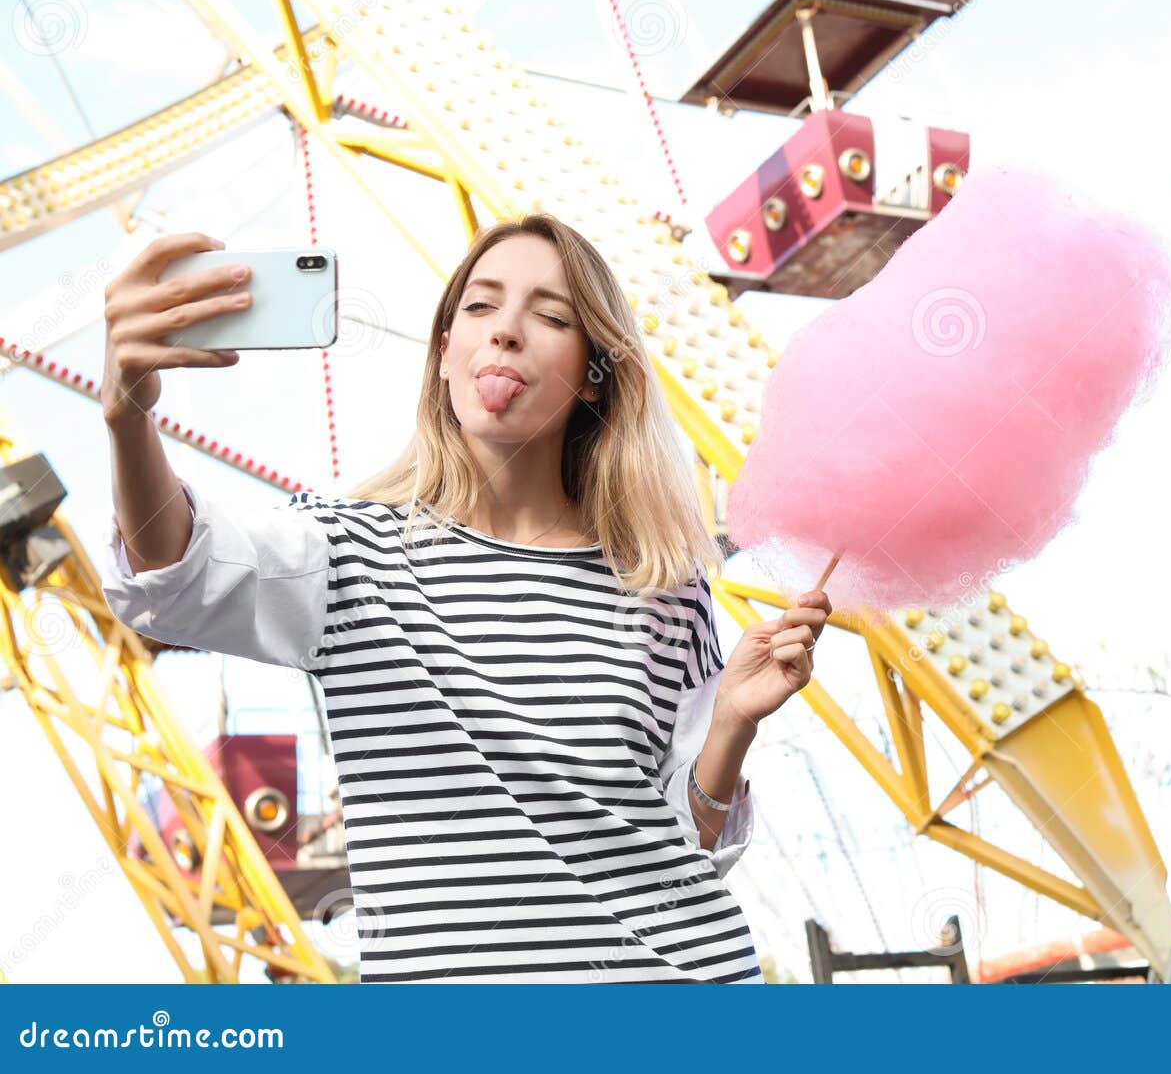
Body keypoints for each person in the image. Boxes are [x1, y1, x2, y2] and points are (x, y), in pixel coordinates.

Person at [98, 220, 831, 983]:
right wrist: (127, 416)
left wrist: (734, 723)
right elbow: (172, 574)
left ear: (593, 374)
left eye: (551, 317)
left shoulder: (665, 589)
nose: (506, 332)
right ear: (444, 354)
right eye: (480, 308)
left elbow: (692, 851)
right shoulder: (347, 553)